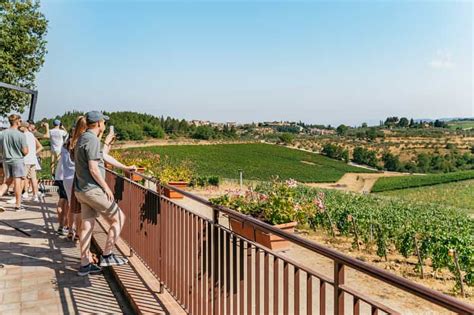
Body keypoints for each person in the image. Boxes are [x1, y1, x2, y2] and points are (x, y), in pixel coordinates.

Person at [74, 111, 136, 276]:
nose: (105, 126)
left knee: (87, 225)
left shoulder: (83, 137)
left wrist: (124, 168)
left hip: (81, 189)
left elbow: (102, 157)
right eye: (104, 123)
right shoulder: (92, 140)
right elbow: (94, 168)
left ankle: (85, 264)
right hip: (92, 190)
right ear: (100, 124)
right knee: (119, 218)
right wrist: (106, 187)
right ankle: (108, 255)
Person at [61, 116, 87, 241]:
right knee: (80, 208)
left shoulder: (67, 143)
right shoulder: (82, 141)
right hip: (77, 176)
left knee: (71, 206)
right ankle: (77, 232)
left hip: (66, 176)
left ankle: (70, 230)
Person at [0, 115, 29, 211]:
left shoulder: (2, 133)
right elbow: (25, 151)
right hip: (17, 160)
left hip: (6, 159)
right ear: (17, 122)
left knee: (7, 182)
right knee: (18, 182)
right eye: (20, 120)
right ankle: (18, 204)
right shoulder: (21, 135)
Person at [20, 121, 43, 202]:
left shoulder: (23, 136)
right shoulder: (32, 135)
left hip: (25, 159)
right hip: (33, 159)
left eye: (20, 126)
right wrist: (34, 153)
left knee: (23, 178)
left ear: (24, 127)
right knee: (33, 178)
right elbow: (40, 147)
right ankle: (35, 195)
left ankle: (20, 195)